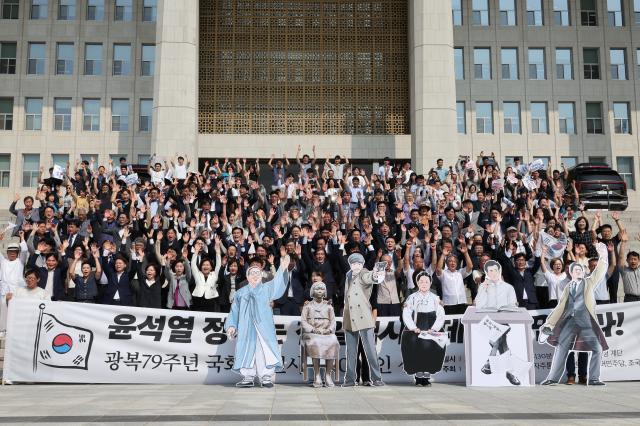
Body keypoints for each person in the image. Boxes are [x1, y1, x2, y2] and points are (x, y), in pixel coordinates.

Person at [540, 242, 609, 386]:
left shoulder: (589, 282)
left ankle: (594, 378)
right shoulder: (567, 287)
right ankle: (552, 378)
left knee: (597, 348)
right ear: (570, 273)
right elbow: (560, 308)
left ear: (583, 272)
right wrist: (548, 324)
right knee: (562, 348)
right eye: (575, 270)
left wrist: (603, 255)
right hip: (570, 322)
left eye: (580, 270)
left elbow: (599, 271)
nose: (578, 272)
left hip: (586, 322)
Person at [225, 251, 291, 388]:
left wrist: (282, 268)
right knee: (246, 349)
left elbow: (278, 283)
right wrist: (231, 325)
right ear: (247, 276)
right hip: (246, 327)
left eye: (257, 272)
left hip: (263, 327)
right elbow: (234, 311)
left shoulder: (267, 288)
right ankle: (248, 377)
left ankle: (266, 376)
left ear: (261, 274)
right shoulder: (240, 293)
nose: (255, 275)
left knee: (264, 350)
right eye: (252, 273)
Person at [474, 260, 522, 386]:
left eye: (495, 270)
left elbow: (513, 305)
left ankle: (490, 363)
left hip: (503, 322)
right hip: (487, 322)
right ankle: (509, 372)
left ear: (500, 271)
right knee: (502, 343)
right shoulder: (483, 286)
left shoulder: (508, 287)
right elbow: (478, 305)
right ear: (486, 273)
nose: (493, 273)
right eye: (490, 271)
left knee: (498, 341)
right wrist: (483, 288)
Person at [341, 252, 385, 387]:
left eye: (359, 263)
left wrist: (377, 273)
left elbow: (370, 277)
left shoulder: (364, 273)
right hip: (349, 315)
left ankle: (377, 378)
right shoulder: (348, 275)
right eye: (353, 263)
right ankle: (349, 379)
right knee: (351, 351)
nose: (356, 266)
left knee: (370, 349)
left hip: (363, 315)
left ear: (362, 264)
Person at [401, 271, 447, 386]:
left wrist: (435, 328)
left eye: (427, 281)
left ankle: (427, 376)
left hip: (431, 327)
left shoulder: (435, 298)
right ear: (417, 283)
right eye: (421, 281)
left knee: (430, 350)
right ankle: (418, 376)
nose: (424, 284)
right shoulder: (411, 297)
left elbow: (441, 314)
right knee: (416, 349)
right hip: (417, 327)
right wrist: (413, 327)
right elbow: (406, 313)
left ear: (430, 283)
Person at [300, 282, 340, 388]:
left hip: (326, 332)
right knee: (316, 342)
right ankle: (317, 375)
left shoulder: (329, 306)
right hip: (312, 333)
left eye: (322, 289)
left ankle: (328, 375)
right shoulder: (307, 306)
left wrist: (329, 330)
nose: (319, 291)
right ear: (312, 291)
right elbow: (303, 322)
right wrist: (313, 329)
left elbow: (333, 322)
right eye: (317, 289)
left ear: (325, 292)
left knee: (333, 340)